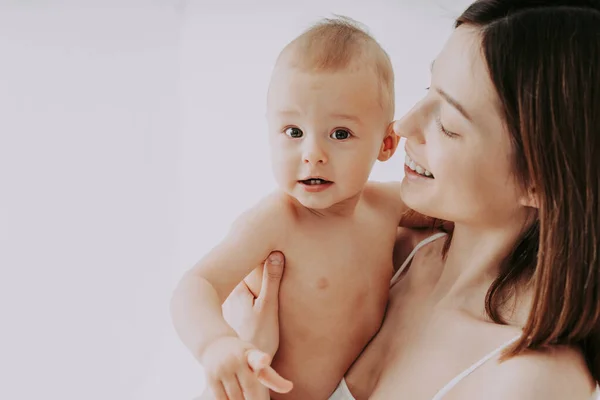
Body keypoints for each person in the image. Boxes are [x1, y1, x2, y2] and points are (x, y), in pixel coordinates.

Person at [196, 0, 600, 399]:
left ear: (539, 181)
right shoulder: (379, 245)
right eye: (429, 89)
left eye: (449, 123)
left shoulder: (532, 380)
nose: (404, 125)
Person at [170, 17, 414, 400]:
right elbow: (194, 286)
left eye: (340, 134)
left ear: (386, 144)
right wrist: (216, 344)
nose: (312, 155)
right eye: (294, 132)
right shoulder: (276, 221)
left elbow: (458, 204)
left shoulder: (386, 206)